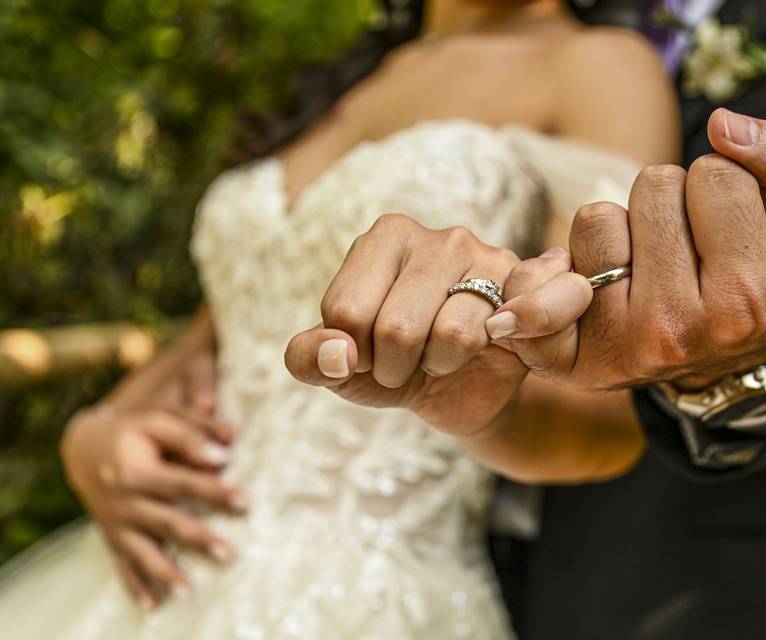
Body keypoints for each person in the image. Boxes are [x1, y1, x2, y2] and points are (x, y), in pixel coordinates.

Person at [0, 1, 678, 638]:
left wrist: (483, 410)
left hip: (363, 590)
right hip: (145, 567)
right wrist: (94, 436)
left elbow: (609, 421)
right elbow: (219, 337)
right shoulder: (349, 77)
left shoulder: (599, 65)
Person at [285, 0, 766, 638]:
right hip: (330, 552)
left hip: (715, 586)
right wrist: (174, 410)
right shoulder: (379, 67)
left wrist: (759, 353)